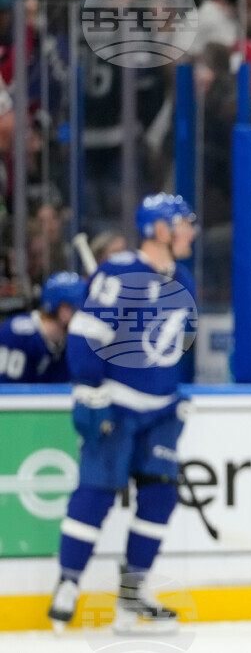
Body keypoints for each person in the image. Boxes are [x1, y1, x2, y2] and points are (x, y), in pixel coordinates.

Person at [48, 193, 197, 635]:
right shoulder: (118, 271)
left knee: (160, 497)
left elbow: (175, 346)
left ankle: (132, 596)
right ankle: (68, 584)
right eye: (183, 223)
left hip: (160, 410)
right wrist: (88, 388)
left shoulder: (182, 277)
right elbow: (86, 331)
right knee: (96, 492)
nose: (191, 231)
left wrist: (175, 391)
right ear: (160, 230)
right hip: (115, 404)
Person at [0, 271, 85, 383]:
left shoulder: (67, 342)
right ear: (64, 311)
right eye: (81, 310)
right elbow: (7, 395)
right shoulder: (16, 334)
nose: (87, 318)